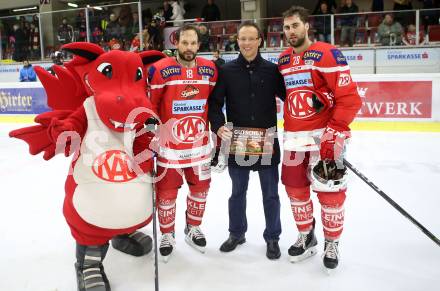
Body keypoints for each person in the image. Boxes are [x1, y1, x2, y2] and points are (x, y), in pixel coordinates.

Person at [279, 6, 361, 270]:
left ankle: (332, 242)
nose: (290, 31)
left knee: (330, 193)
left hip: (324, 137)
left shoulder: (327, 53)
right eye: (286, 27)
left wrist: (335, 130)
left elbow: (349, 97)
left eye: (295, 25)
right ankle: (306, 236)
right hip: (293, 138)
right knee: (295, 189)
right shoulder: (283, 60)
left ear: (306, 26)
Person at [208, 22, 285, 260]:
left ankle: (272, 237)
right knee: (237, 192)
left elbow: (292, 97)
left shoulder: (273, 72)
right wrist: (219, 125)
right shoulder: (227, 71)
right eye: (242, 38)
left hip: (267, 141)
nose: (246, 43)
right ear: (237, 40)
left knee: (271, 194)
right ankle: (236, 233)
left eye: (251, 38)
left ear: (260, 40)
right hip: (238, 142)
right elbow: (214, 104)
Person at [147, 24, 218, 262]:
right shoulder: (160, 70)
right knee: (166, 194)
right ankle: (167, 234)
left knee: (200, 190)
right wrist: (150, 138)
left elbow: (214, 104)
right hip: (170, 148)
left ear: (199, 45)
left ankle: (193, 227)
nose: (189, 47)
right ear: (176, 43)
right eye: (184, 42)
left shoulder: (210, 69)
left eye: (193, 43)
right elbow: (151, 108)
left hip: (199, 146)